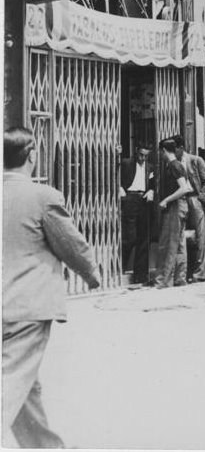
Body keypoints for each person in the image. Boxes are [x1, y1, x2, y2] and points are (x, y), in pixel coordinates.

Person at [3, 126, 101, 448]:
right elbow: (71, 244)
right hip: (26, 309)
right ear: (32, 156)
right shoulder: (43, 197)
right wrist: (91, 273)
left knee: (24, 385)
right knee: (10, 383)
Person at [174, 135, 205, 282]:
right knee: (182, 236)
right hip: (181, 199)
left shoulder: (196, 160)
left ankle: (200, 273)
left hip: (195, 198)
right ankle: (183, 273)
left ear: (181, 148)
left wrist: (201, 198)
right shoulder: (173, 162)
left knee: (202, 237)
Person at [154, 138, 191, 288]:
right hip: (182, 206)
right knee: (180, 244)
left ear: (163, 151)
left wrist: (166, 200)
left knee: (168, 243)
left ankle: (164, 279)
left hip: (175, 207)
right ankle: (180, 277)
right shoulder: (180, 165)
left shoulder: (173, 166)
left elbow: (184, 188)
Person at [119, 144, 155, 285]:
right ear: (136, 153)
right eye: (141, 155)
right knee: (130, 237)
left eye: (145, 156)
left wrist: (151, 191)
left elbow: (152, 183)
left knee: (143, 238)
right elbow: (116, 174)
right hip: (130, 198)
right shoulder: (127, 163)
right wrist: (121, 188)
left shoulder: (150, 167)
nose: (143, 158)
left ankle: (140, 275)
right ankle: (121, 267)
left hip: (143, 200)